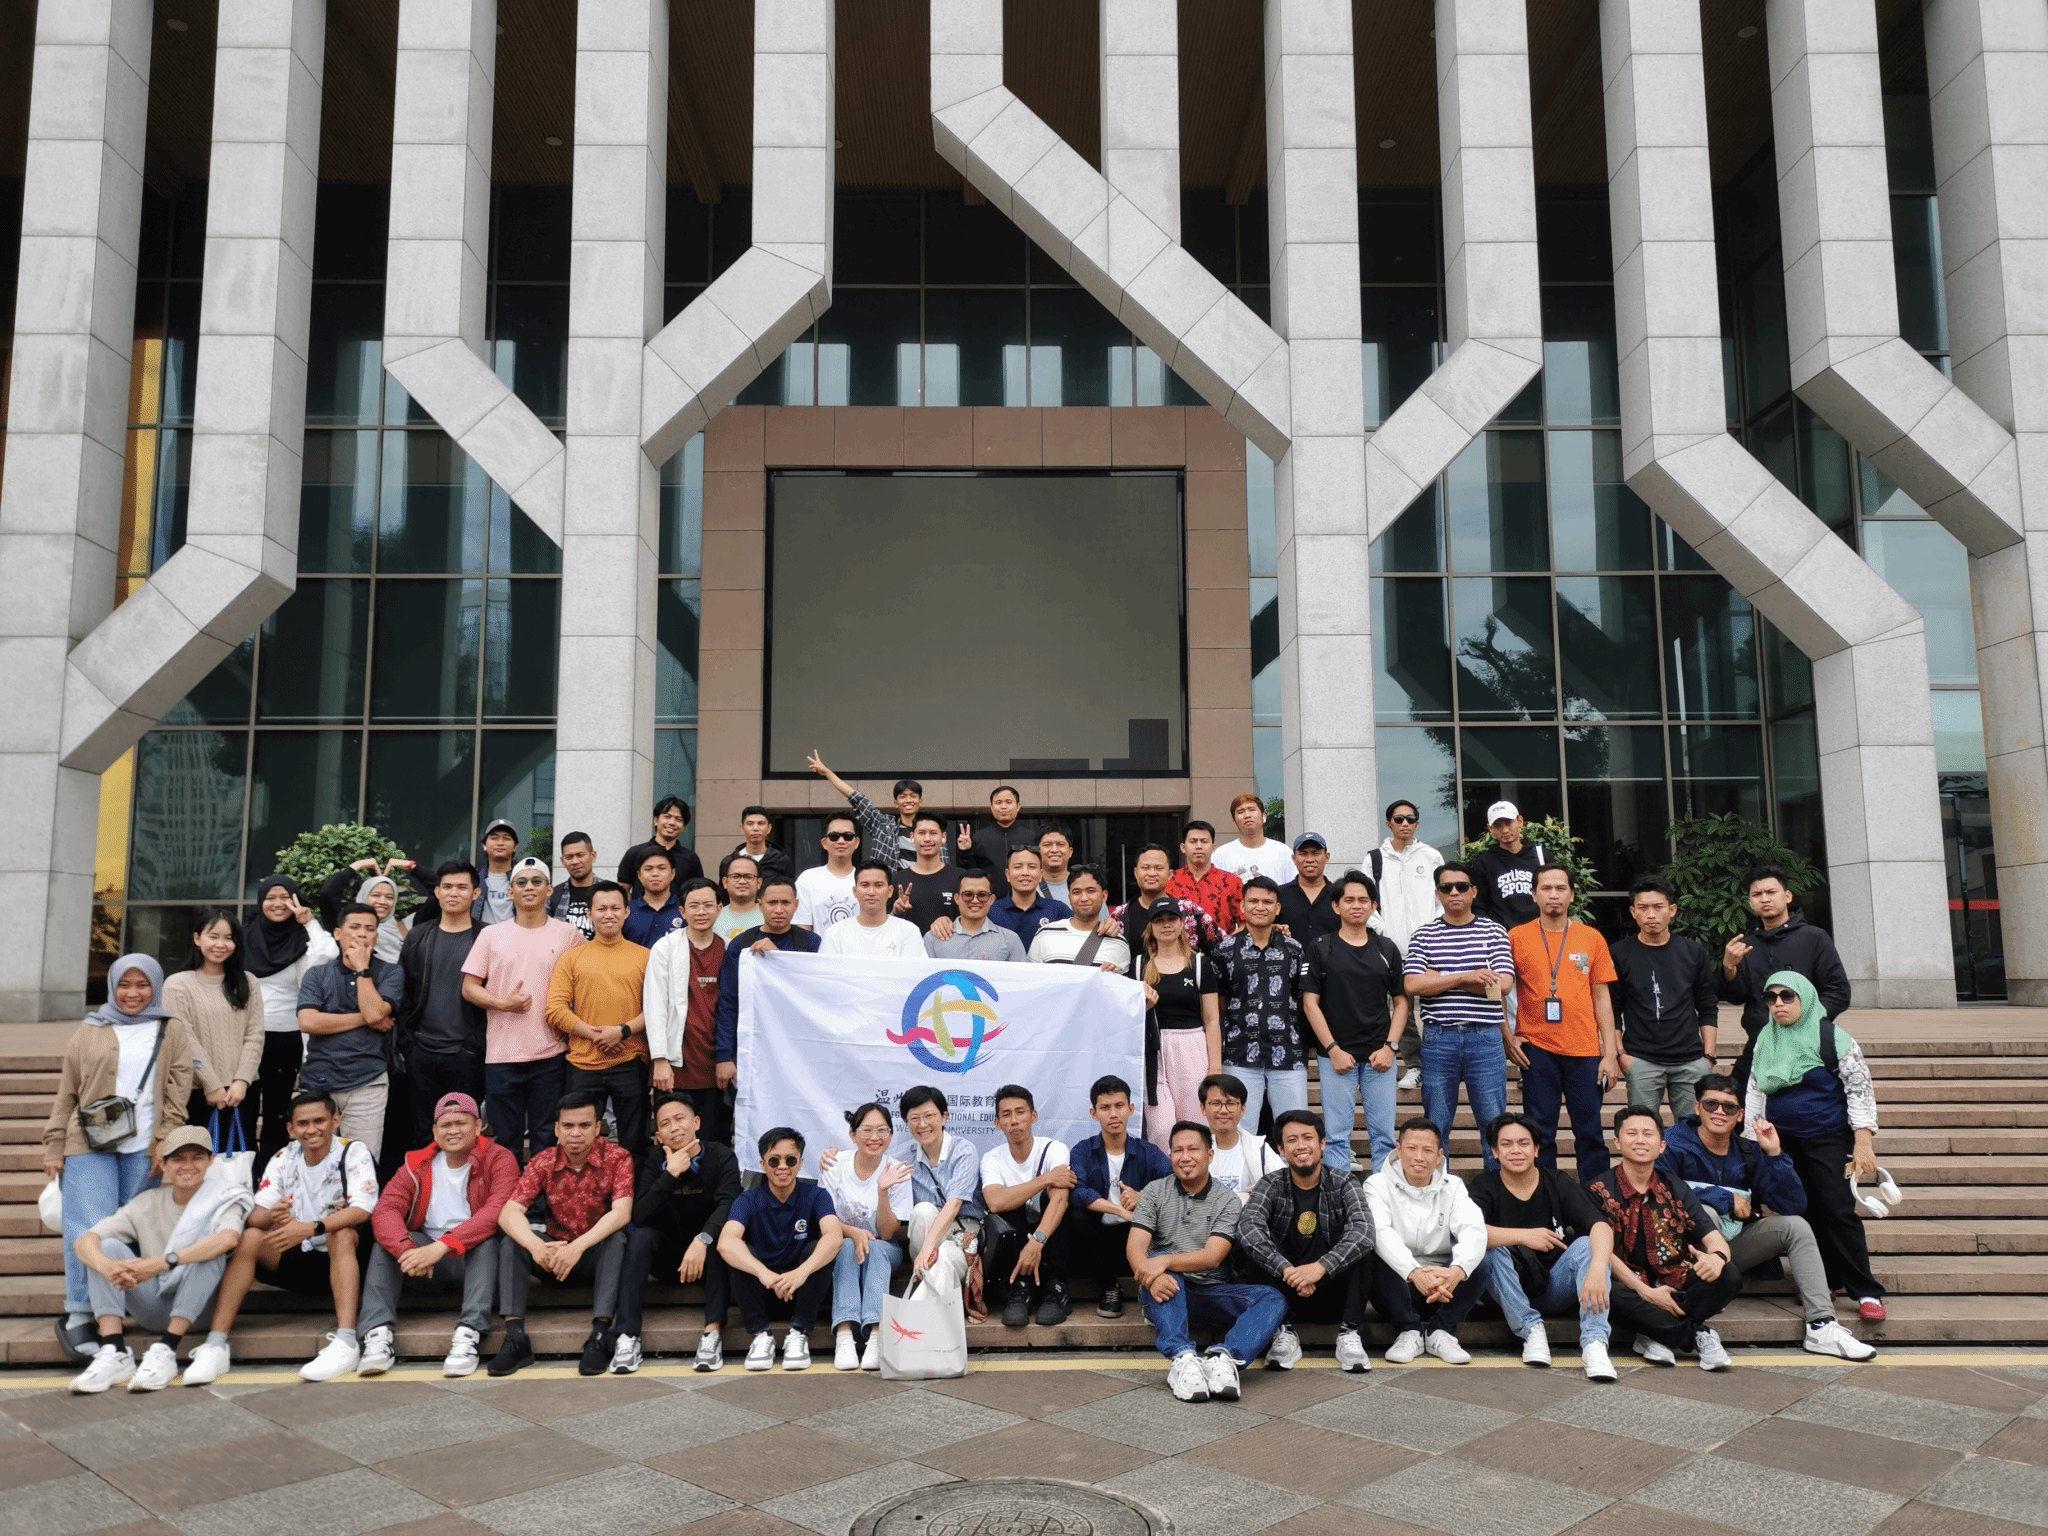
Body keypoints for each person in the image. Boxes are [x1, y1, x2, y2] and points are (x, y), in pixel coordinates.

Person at [1657, 1073, 1876, 1359]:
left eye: (1729, 1107)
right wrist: (1724, 1198)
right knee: (1707, 1211)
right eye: (1711, 1104)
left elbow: (1793, 1204)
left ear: (1740, 1115)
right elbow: (1660, 1190)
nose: (1719, 1112)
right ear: (1697, 1107)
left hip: (1731, 1250)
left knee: (1795, 1226)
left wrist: (1774, 1154)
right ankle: (1703, 1300)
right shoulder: (1671, 1143)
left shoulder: (1747, 1151)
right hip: (1682, 1255)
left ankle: (1821, 1324)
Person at [46, 951, 197, 1360]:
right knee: (87, 1227)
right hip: (87, 1143)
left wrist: (164, 1138)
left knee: (126, 1230)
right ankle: (80, 1312)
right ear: (112, 986)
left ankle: (112, 1308)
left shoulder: (169, 1028)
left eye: (142, 984)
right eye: (125, 985)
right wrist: (54, 1144)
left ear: (155, 986)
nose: (133, 993)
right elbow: (68, 1090)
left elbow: (179, 1087)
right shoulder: (91, 1028)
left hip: (144, 1147)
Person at [193, 1091, 379, 1385]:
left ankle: (346, 1341)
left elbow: (363, 1209)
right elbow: (256, 1216)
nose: (311, 1129)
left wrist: (311, 1227)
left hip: (347, 1258)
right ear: (291, 1128)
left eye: (319, 1121)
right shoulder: (283, 1157)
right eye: (302, 1123)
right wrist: (273, 1214)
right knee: (251, 1236)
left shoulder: (352, 1151)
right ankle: (216, 1344)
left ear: (335, 1120)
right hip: (297, 1257)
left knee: (341, 1233)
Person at [1742, 971, 1888, 1322]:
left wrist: (1863, 1141)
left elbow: (1860, 1090)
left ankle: (1865, 1291)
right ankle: (1824, 1282)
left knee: (1837, 1211)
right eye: (1771, 997)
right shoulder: (1765, 1039)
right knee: (1801, 1212)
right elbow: (1755, 1091)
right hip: (1781, 1143)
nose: (1778, 1004)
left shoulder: (1833, 1037)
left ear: (1805, 998)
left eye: (1787, 996)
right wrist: (1750, 1142)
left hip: (1828, 1140)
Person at [65, 1126, 252, 1394]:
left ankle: (167, 1348)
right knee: (104, 1247)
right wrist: (107, 1267)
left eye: (197, 1157)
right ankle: (114, 1350)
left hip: (201, 1309)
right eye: (178, 1159)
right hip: (152, 1306)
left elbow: (228, 1239)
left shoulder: (224, 1196)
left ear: (211, 1160)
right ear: (163, 1164)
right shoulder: (147, 1202)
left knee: (209, 1252)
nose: (187, 1166)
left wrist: (161, 1263)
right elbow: (83, 1241)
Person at [358, 1091, 518, 1378]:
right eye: (445, 1125)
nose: (453, 1130)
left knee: (488, 1242)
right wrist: (407, 1250)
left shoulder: (499, 1158)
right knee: (384, 1245)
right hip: (428, 1264)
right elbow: (386, 1209)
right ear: (434, 1131)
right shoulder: (417, 1163)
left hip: (478, 1265)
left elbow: (496, 1211)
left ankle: (468, 1334)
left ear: (478, 1126)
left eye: (461, 1123)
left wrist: (443, 1245)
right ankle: (377, 1336)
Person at [1129, 1120, 1286, 1403]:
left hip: (1213, 1293)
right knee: (1170, 1276)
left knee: (1272, 1298)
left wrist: (1164, 1260)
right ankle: (1182, 1359)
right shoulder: (1154, 1191)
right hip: (1165, 1291)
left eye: (1193, 1149)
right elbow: (1135, 1248)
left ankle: (1224, 1359)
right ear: (1170, 1155)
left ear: (1209, 1154)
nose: (1185, 1157)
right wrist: (1152, 1276)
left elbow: (1213, 1257)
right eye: (1178, 1151)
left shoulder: (1227, 1200)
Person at [491, 1090, 635, 1376]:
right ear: (556, 1128)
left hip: (594, 1256)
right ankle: (515, 1337)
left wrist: (577, 1247)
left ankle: (598, 1336)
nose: (575, 1133)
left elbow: (622, 1213)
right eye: (568, 1125)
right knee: (512, 1242)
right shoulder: (544, 1160)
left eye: (584, 1125)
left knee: (617, 1238)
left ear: (598, 1127)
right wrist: (536, 1246)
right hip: (553, 1258)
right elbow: (508, 1213)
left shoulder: (617, 1157)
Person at [1587, 1105, 1742, 1368]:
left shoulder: (1674, 1186)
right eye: (1631, 1133)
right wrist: (1647, 1293)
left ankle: (1654, 1332)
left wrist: (1717, 1257)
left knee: (1728, 1275)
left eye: (1648, 1134)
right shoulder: (1597, 1189)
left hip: (1675, 1277)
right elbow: (1599, 1251)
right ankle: (1696, 1333)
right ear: (1617, 1142)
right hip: (1629, 1284)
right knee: (1607, 1292)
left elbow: (1714, 1237)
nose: (1640, 1140)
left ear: (1661, 1146)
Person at [1469, 1111, 1618, 1380]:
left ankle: (1595, 1343)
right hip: (1503, 1291)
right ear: (1494, 1151)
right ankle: (1531, 1329)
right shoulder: (1484, 1185)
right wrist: (1524, 1236)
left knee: (1587, 1244)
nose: (1516, 1150)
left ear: (1537, 1149)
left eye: (1524, 1143)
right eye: (1506, 1144)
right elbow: (1469, 1232)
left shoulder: (1556, 1181)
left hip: (1553, 1287)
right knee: (1487, 1249)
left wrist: (1597, 1269)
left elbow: (1601, 1226)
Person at [1233, 1109, 1376, 1373]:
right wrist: (1287, 1270)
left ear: (1322, 1143)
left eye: (1308, 1138)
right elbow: (1248, 1227)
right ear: (1280, 1149)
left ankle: (1349, 1332)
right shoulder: (1270, 1184)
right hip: (1284, 1293)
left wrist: (1320, 1268)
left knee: (1363, 1247)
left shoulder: (1344, 1182)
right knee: (1252, 1245)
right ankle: (1282, 1331)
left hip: (1332, 1290)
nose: (1301, 1146)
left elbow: (1363, 1229)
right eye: (1291, 1140)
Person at [462, 854, 582, 1162]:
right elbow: (469, 987)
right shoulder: (491, 934)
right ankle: (507, 1194)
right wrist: (502, 1004)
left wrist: (572, 1024)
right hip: (502, 1055)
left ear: (549, 889)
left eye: (537, 881)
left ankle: (540, 1194)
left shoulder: (568, 934)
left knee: (546, 1139)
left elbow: (586, 984)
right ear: (510, 891)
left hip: (551, 1055)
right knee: (505, 1141)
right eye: (522, 882)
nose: (529, 887)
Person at [614, 1091, 742, 1374]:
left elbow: (729, 1204)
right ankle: (627, 1336)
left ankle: (712, 1334)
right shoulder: (654, 1161)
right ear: (658, 1135)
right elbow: (639, 1215)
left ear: (696, 1122)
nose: (674, 1127)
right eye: (665, 1123)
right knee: (640, 1237)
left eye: (680, 1119)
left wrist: (703, 1239)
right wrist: (669, 1175)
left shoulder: (721, 1155)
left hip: (708, 1257)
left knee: (723, 1239)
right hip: (669, 1258)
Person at [1507, 864, 1619, 1180]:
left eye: (1560, 888)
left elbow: (1602, 998)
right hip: (1537, 1048)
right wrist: (1507, 1036)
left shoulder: (1591, 938)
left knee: (1590, 1131)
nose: (1553, 894)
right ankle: (1545, 1197)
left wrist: (1610, 1053)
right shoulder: (1516, 937)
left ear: (1571, 894)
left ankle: (1596, 1198)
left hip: (1585, 1050)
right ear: (1534, 894)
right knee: (1540, 1132)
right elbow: (1498, 989)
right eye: (1546, 888)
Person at [1403, 862, 1515, 1172]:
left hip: (1485, 1036)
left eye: (1462, 886)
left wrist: (1438, 977)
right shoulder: (1424, 935)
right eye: (1447, 887)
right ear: (1437, 893)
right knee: (1436, 1125)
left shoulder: (1494, 931)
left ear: (1473, 891)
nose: (1455, 892)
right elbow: (1412, 984)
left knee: (1493, 1125)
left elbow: (1503, 985)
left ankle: (1496, 1192)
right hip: (1439, 1037)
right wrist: (1467, 976)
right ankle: (1437, 1189)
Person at [1302, 872, 1409, 1176]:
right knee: (1336, 1137)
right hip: (1335, 1057)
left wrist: (1391, 1047)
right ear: (1336, 906)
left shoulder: (1386, 948)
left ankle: (1383, 1197)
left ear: (1374, 905)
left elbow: (1401, 1002)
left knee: (1384, 1137)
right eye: (1349, 900)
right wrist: (1332, 1049)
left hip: (1380, 1057)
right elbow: (1309, 1003)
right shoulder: (1321, 947)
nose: (1356, 905)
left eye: (1363, 900)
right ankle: (1338, 1198)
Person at [1362, 1117, 1488, 1363]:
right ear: (1398, 1150)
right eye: (1411, 1148)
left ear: (1439, 1155)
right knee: (1372, 1252)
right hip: (1398, 1287)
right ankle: (1409, 1331)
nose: (1418, 1157)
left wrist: (1455, 1271)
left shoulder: (1454, 1186)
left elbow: (1473, 1228)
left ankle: (1442, 1331)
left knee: (1483, 1259)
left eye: (1428, 1150)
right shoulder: (1376, 1184)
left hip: (1444, 1288)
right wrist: (1414, 1272)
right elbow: (1381, 1232)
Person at [722, 1126, 845, 1370]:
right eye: (774, 1160)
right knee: (741, 1252)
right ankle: (760, 1335)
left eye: (790, 1160)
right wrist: (763, 1274)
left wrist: (801, 1273)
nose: (782, 1167)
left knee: (818, 1248)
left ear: (800, 1162)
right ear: (762, 1163)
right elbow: (726, 1241)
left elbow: (834, 1236)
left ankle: (799, 1332)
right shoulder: (747, 1200)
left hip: (803, 1291)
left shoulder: (816, 1195)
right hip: (762, 1290)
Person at [546, 881, 653, 1156]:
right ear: (589, 914)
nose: (609, 914)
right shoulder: (572, 958)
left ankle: (632, 1186)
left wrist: (623, 1031)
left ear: (627, 911)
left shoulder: (645, 957)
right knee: (578, 1143)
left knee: (634, 1143)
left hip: (630, 1061)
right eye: (601, 909)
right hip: (582, 1064)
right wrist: (597, 1035)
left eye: (615, 908)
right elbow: (555, 1009)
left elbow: (657, 1008)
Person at [296, 902, 405, 1157]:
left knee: (361, 1162)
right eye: (354, 927)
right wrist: (366, 1019)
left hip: (367, 1081)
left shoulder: (391, 972)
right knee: (316, 1161)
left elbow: (375, 1013)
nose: (362, 934)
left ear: (376, 936)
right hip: (319, 1081)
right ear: (337, 933)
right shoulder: (317, 974)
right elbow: (309, 1021)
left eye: (369, 929)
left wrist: (362, 969)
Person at [244, 874, 338, 1168]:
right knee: (245, 1109)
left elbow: (329, 953)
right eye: (270, 898)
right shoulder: (245, 937)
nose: (277, 903)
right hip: (247, 1036)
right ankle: (244, 1177)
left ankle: (271, 1176)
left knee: (277, 1112)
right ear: (260, 902)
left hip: (286, 1037)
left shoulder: (302, 938)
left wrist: (309, 922)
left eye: (285, 897)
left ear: (296, 900)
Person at [1610, 875, 1720, 1119]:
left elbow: (1707, 1006)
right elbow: (1612, 1009)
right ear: (1633, 912)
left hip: (1690, 1060)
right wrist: (1620, 1055)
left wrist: (1709, 1057)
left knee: (1692, 1129)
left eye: (1658, 907)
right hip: (1641, 1059)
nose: (1651, 914)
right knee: (1642, 1129)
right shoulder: (1619, 953)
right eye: (1643, 907)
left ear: (1672, 910)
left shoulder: (1692, 952)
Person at [1721, 864, 1852, 1068]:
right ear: (1750, 903)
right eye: (1757, 894)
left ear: (1787, 896)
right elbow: (1737, 997)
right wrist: (1729, 969)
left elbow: (1839, 991)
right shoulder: (1747, 945)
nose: (1764, 899)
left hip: (1808, 1045)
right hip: (1760, 1044)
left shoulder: (1814, 938)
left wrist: (1805, 1020)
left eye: (1771, 892)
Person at [394, 859, 486, 1148]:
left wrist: (475, 1045)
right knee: (423, 1134)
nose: (453, 893)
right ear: (436, 891)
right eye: (446, 887)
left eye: (461, 887)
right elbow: (404, 992)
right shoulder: (419, 936)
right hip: (421, 1051)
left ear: (475, 893)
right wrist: (408, 1044)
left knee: (465, 1135)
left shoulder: (488, 937)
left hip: (466, 1054)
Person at [1067, 1075, 1172, 1318]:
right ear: (1094, 1113)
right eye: (1105, 1107)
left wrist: (1143, 1196)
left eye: (1119, 1106)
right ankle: (1109, 1287)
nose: (1113, 1114)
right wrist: (1119, 1210)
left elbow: (1173, 1182)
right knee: (1076, 1215)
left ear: (1131, 1109)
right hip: (1096, 1244)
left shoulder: (1147, 1151)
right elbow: (1078, 1192)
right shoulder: (1083, 1150)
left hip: (1135, 1239)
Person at [1212, 877, 1311, 1126]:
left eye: (1267, 902)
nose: (1260, 907)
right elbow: (1219, 1001)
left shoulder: (1294, 950)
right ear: (1242, 906)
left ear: (1277, 908)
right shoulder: (1224, 951)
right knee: (1239, 1132)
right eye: (1253, 901)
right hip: (1239, 1055)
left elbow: (1302, 998)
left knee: (1294, 1129)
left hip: (1288, 1055)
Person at [165, 909, 263, 1155]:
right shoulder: (177, 984)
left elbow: (255, 1035)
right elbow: (184, 1040)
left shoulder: (248, 981)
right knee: (195, 1162)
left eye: (229, 938)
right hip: (197, 1093)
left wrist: (241, 1081)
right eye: (213, 936)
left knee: (239, 1165)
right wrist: (211, 1084)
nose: (221, 944)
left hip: (242, 1093)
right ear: (197, 938)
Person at [713, 877, 822, 1094]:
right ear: (760, 905)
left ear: (796, 905)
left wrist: (777, 958)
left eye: (786, 902)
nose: (779, 909)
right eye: (772, 903)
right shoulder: (742, 944)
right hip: (752, 1044)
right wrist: (724, 1055)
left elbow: (815, 997)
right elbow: (728, 1003)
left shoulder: (811, 943)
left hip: (800, 1047)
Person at [821, 1102, 909, 1371]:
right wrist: (854, 1232)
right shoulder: (835, 1164)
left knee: (877, 1248)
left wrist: (883, 1191)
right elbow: (824, 1219)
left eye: (882, 1130)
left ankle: (876, 1333)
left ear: (891, 1135)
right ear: (852, 1134)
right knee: (846, 1246)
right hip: (843, 1244)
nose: (874, 1137)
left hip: (884, 1248)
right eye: (867, 1130)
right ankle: (844, 1333)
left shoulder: (897, 1170)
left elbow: (887, 1232)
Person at [979, 1085, 1075, 1328]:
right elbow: (995, 1201)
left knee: (1056, 1201)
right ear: (997, 1123)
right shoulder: (992, 1158)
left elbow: (1060, 1199)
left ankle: (1056, 1288)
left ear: (1033, 1116)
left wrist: (1036, 1242)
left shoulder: (1054, 1149)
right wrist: (1045, 1178)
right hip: (1016, 1235)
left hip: (1049, 1235)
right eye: (1006, 1114)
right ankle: (1020, 1288)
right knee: (1009, 1205)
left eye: (1020, 1112)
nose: (1014, 1120)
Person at [645, 876, 730, 1142]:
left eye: (708, 905)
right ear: (682, 911)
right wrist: (660, 1059)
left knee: (714, 1139)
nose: (701, 912)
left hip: (715, 1064)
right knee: (675, 1138)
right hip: (676, 1065)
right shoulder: (665, 947)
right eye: (694, 906)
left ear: (719, 908)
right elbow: (654, 1005)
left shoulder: (728, 948)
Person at [1372, 800, 1445, 1088]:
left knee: (1437, 1006)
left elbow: (1443, 897)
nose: (1405, 823)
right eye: (1399, 818)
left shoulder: (1431, 856)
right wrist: (1384, 931)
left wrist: (1434, 932)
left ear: (1416, 822)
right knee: (1402, 1008)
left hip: (1431, 947)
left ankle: (1440, 1065)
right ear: (1388, 823)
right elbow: (1366, 900)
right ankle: (1415, 1066)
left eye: (1411, 818)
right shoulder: (1375, 859)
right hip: (1392, 948)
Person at [885, 1085, 984, 1295]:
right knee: (922, 1211)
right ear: (907, 1123)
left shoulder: (963, 1150)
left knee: (945, 1254)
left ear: (943, 1117)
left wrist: (927, 1247)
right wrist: (834, 1158)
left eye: (929, 1116)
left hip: (963, 1235)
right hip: (924, 1238)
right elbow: (873, 1164)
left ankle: (918, 1306)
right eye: (914, 1118)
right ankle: (926, 1297)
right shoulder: (906, 1160)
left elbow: (954, 1204)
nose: (922, 1124)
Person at [1139, 898, 1221, 1150]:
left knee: (1194, 1125)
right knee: (1161, 1128)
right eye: (1159, 920)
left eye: (1171, 919)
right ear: (1151, 926)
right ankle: (1163, 1175)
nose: (1166, 925)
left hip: (1191, 1046)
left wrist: (1215, 1067)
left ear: (1182, 923)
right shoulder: (1139, 965)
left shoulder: (1199, 964)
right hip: (1153, 1049)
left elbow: (1212, 1019)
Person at [809, 753, 923, 869]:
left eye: (913, 796)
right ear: (895, 803)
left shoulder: (930, 829)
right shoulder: (884, 825)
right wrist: (827, 773)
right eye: (903, 796)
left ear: (920, 802)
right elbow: (857, 799)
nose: (908, 800)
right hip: (890, 880)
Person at [1116, 843, 1222, 967]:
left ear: (1170, 874)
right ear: (1136, 872)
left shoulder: (1189, 911)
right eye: (1145, 868)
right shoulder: (1120, 915)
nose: (1152, 873)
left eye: (1159, 868)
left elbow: (1222, 947)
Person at [1197, 1073, 1286, 1201]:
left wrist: (1266, 1189)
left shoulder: (1259, 1148)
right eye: (1216, 1103)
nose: (1223, 1110)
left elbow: (1285, 1183)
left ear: (1243, 1109)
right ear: (1203, 1108)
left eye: (1231, 1103)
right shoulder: (1191, 1149)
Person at [1027, 864, 1133, 970]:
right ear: (1069, 898)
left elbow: (1122, 980)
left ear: (1104, 896)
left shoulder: (1119, 943)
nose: (1084, 898)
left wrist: (1114, 976)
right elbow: (1031, 977)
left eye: (1091, 891)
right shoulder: (1044, 934)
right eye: (1076, 892)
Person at [1468, 801, 1546, 930]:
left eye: (1509, 823)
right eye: (1497, 825)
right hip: (1502, 936)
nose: (1504, 830)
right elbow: (1478, 906)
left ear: (1520, 821)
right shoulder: (1483, 863)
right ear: (1490, 829)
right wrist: (1492, 932)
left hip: (1539, 933)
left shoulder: (1541, 856)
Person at [819, 861, 925, 955]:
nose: (871, 892)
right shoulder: (835, 933)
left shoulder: (908, 932)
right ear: (855, 891)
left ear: (890, 891)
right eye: (865, 885)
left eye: (878, 885)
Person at [924, 869, 1030, 961]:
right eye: (968, 894)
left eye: (982, 895)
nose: (975, 900)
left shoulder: (1010, 940)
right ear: (957, 898)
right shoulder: (933, 939)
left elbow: (1020, 978)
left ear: (991, 899)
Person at [316, 861, 411, 959]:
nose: (382, 901)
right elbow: (328, 895)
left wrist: (411, 866)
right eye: (376, 895)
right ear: (364, 896)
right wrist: (358, 865)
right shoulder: (348, 923)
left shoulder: (401, 928)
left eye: (389, 897)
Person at [1167, 819, 1244, 937]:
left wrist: (1227, 944)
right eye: (1193, 841)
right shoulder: (1170, 881)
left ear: (1213, 847)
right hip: (1179, 947)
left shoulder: (1231, 881)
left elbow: (1244, 924)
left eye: (1204, 841)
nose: (1198, 846)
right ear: (1183, 847)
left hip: (1222, 947)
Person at [618, 794, 705, 894]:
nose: (672, 822)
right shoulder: (634, 853)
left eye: (678, 819)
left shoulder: (691, 858)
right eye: (667, 817)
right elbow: (623, 890)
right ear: (656, 820)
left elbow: (698, 892)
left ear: (683, 827)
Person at [988, 844, 1073, 945]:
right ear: (1007, 874)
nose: (1025, 873)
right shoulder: (991, 911)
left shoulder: (1058, 910)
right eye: (1018, 867)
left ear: (1041, 874)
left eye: (1032, 867)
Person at [894, 812, 964, 932]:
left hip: (949, 943)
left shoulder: (960, 878)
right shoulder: (897, 880)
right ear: (912, 836)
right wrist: (896, 912)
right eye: (921, 833)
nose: (927, 839)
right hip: (909, 944)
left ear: (943, 837)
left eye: (933, 833)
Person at [795, 813, 862, 933]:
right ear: (824, 843)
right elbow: (803, 928)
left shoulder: (867, 880)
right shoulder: (808, 879)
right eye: (834, 836)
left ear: (856, 842)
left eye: (847, 836)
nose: (841, 841)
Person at [1213, 792, 1296, 885]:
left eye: (1252, 810)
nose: (1247, 815)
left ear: (1263, 816)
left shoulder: (1283, 852)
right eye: (1240, 812)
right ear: (1234, 822)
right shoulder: (1220, 856)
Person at [956, 783, 1036, 878]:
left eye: (1008, 802)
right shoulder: (979, 838)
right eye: (998, 803)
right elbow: (968, 872)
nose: (1003, 807)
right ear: (991, 807)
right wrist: (965, 852)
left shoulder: (1032, 837)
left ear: (1018, 806)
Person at [1276, 832, 1339, 944]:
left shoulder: (1339, 895)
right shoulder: (1279, 895)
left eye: (1316, 853)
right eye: (1303, 854)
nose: (1309, 859)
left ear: (1327, 857)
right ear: (1294, 858)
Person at [623, 846, 688, 948]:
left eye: (661, 868)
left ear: (672, 873)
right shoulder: (626, 911)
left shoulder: (685, 909)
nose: (655, 874)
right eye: (648, 869)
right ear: (639, 875)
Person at [548, 831, 601, 940]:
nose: (575, 861)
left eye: (580, 855)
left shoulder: (610, 892)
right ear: (562, 861)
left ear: (593, 856)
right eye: (569, 857)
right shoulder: (554, 895)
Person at [730, 805, 795, 885]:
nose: (755, 828)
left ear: (769, 828)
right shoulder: (730, 861)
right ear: (742, 828)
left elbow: (789, 890)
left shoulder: (781, 861)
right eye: (750, 824)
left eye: (761, 823)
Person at [476, 817, 522, 923]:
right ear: (484, 845)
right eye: (494, 838)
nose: (500, 843)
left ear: (515, 847)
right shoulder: (474, 878)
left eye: (507, 838)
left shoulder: (524, 879)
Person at [713, 852, 766, 940]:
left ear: (759, 883)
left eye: (748, 876)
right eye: (735, 876)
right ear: (725, 882)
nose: (742, 881)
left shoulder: (770, 916)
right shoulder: (713, 917)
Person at [1036, 824, 1078, 905]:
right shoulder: (1028, 887)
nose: (1054, 850)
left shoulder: (1083, 886)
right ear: (1038, 852)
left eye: (1060, 844)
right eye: (1047, 845)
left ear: (1070, 851)